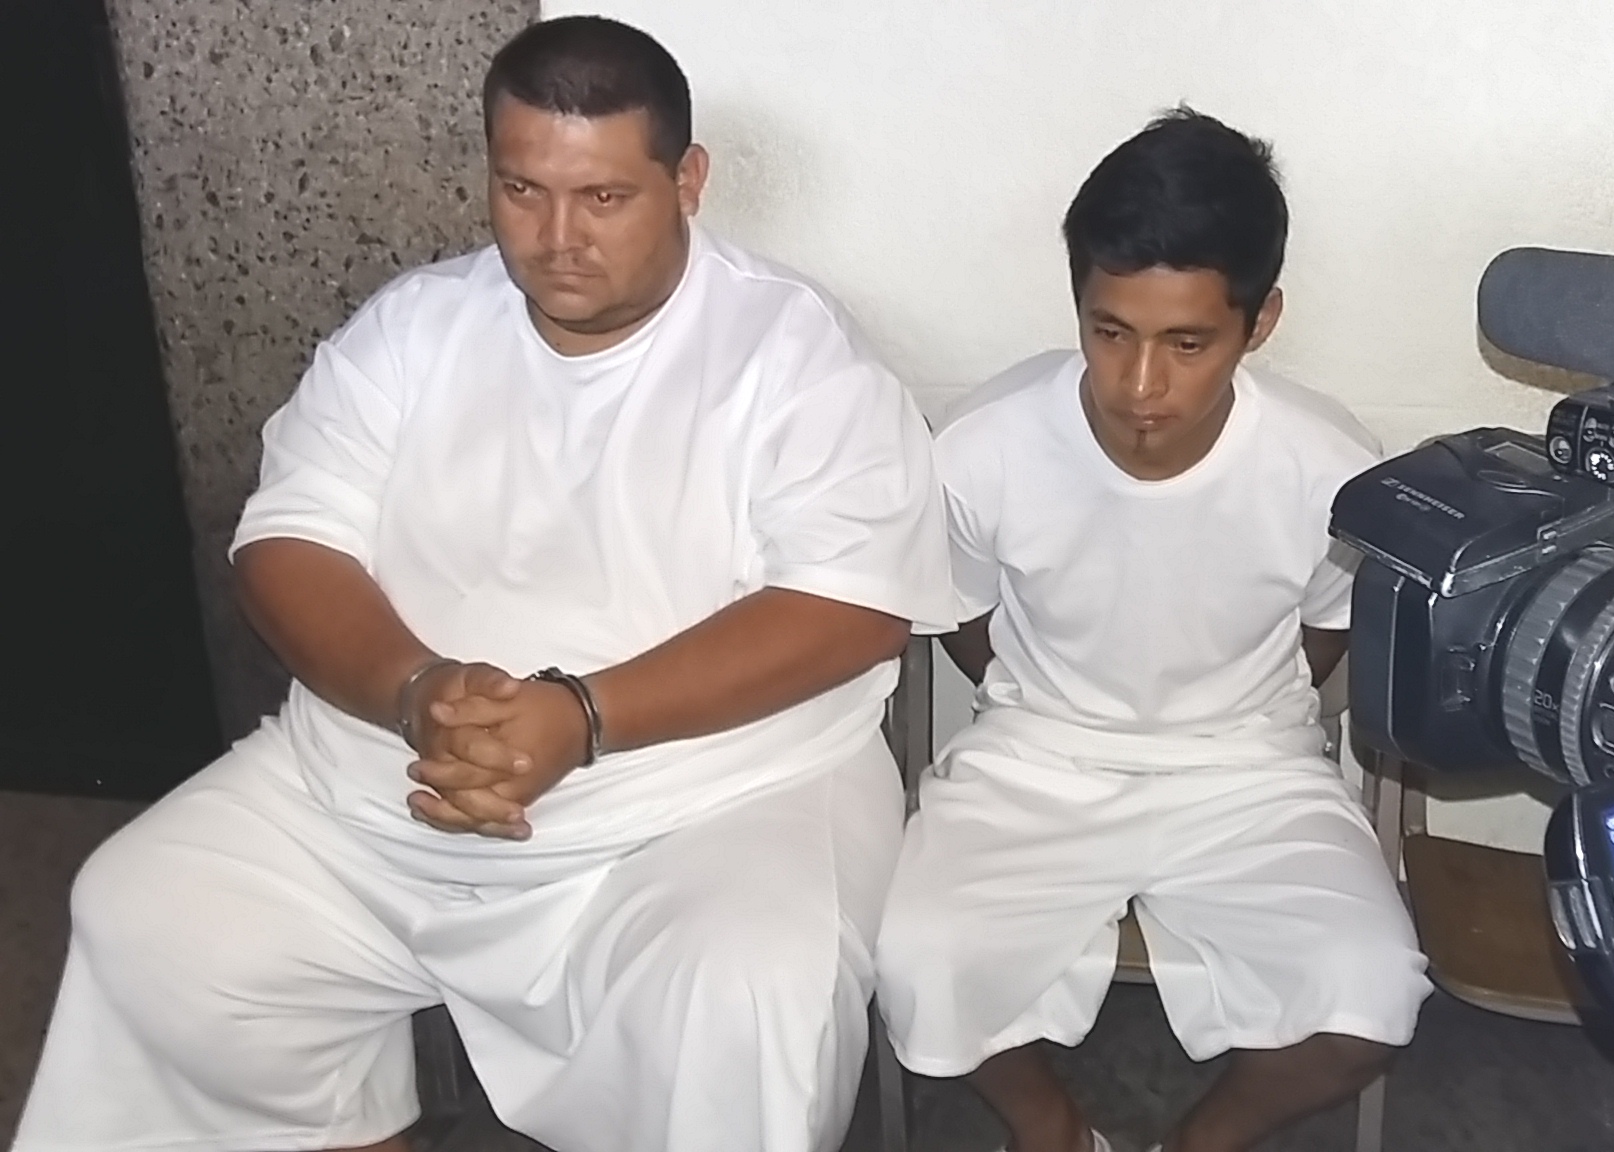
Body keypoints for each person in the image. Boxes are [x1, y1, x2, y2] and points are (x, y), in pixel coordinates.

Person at [11, 15, 951, 1152]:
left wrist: (580, 716)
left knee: (747, 992)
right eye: (522, 190)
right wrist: (416, 691)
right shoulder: (416, 326)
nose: (557, 239)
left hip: (709, 803)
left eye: (603, 198)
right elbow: (286, 542)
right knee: (149, 913)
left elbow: (852, 607)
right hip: (392, 774)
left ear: (688, 180)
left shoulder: (792, 353)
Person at [873, 109, 1433, 1152]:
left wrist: (1228, 710)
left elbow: (1326, 636)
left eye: (1186, 343)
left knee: (1371, 993)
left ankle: (1198, 1143)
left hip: (1248, 767)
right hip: (1036, 758)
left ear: (1259, 322)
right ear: (1078, 305)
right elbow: (965, 617)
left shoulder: (1329, 466)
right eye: (1110, 332)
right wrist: (1056, 705)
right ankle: (1051, 1129)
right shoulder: (984, 445)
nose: (1140, 386)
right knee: (915, 965)